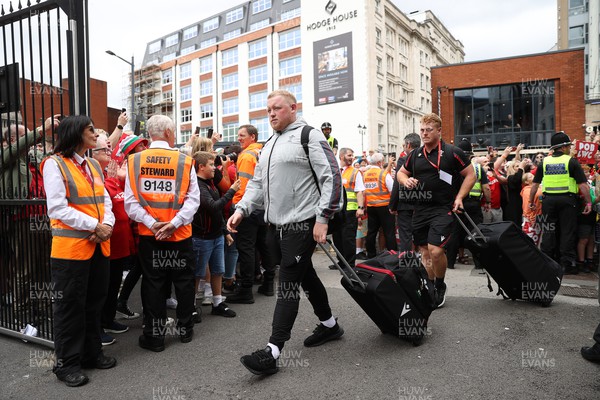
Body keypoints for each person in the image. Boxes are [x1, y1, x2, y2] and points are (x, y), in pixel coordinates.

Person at [228, 89, 344, 375]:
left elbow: (332, 177)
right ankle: (330, 325)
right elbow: (256, 184)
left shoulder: (309, 135)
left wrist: (323, 218)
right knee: (306, 276)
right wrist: (241, 209)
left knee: (289, 284)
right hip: (274, 226)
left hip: (302, 224)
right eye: (268, 110)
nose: (271, 114)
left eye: (277, 108)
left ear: (293, 108)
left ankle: (273, 350)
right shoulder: (268, 145)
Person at [41, 115, 116, 387]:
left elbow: (104, 199)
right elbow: (58, 209)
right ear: (76, 133)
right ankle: (67, 365)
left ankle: (92, 353)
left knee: (94, 303)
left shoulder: (93, 165)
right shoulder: (54, 164)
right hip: (71, 250)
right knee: (69, 308)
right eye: (91, 130)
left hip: (97, 245)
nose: (96, 134)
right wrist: (96, 226)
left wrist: (106, 223)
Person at [124, 115, 199, 352]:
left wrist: (153, 223)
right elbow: (193, 200)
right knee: (184, 282)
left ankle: (154, 338)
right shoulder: (184, 161)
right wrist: (174, 223)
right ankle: (185, 329)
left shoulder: (134, 161)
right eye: (174, 131)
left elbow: (130, 202)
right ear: (168, 132)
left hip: (150, 236)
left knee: (153, 284)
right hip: (180, 235)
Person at [397, 113, 475, 309]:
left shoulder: (452, 152)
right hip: (420, 209)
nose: (424, 133)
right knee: (424, 251)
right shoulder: (415, 155)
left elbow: (470, 175)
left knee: (436, 250)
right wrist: (406, 180)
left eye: (428, 130)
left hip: (443, 209)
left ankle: (440, 285)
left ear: (439, 131)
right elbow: (400, 173)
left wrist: (459, 198)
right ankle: (430, 286)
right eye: (422, 130)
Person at [528, 132, 591, 275]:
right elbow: (583, 185)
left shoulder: (544, 162)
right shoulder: (571, 161)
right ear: (563, 147)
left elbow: (535, 185)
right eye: (568, 145)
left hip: (548, 202)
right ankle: (566, 264)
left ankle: (547, 263)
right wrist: (588, 203)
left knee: (548, 231)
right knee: (567, 231)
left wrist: (531, 201)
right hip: (568, 201)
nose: (569, 148)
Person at [227, 124, 276, 303]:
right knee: (263, 245)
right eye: (238, 135)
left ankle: (245, 290)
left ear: (253, 137)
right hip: (263, 207)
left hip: (248, 207)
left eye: (242, 135)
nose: (239, 138)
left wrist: (237, 206)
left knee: (246, 247)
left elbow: (246, 185)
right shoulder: (263, 152)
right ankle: (268, 283)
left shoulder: (247, 155)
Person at [191, 151, 240, 317]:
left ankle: (218, 303)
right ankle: (190, 307)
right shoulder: (197, 185)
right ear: (201, 166)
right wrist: (231, 191)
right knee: (197, 273)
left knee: (218, 270)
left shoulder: (210, 182)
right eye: (211, 165)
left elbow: (216, 214)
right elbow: (213, 206)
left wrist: (224, 232)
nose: (214, 168)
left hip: (216, 236)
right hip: (201, 237)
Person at [446, 139, 491, 269]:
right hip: (473, 204)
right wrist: (488, 201)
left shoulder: (451, 167)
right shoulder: (477, 168)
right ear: (471, 155)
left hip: (456, 204)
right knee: (476, 231)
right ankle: (478, 263)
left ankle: (450, 263)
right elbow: (486, 188)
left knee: (454, 232)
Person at [331, 147, 365, 270]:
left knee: (348, 238)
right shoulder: (335, 170)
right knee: (337, 237)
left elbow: (360, 191)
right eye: (349, 155)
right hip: (337, 211)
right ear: (341, 156)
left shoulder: (355, 172)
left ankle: (350, 265)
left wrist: (360, 208)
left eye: (352, 155)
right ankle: (341, 262)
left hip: (350, 210)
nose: (352, 157)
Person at [389, 133, 421, 252]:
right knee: (422, 235)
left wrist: (393, 205)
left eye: (404, 145)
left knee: (406, 235)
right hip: (423, 202)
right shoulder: (425, 158)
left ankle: (407, 263)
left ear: (408, 145)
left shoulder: (404, 160)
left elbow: (397, 184)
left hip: (406, 204)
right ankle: (422, 262)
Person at [364, 152, 396, 258]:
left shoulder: (365, 174)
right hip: (384, 206)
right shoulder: (383, 174)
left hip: (371, 206)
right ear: (379, 162)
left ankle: (371, 254)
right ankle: (393, 255)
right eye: (382, 161)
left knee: (371, 232)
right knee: (389, 232)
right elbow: (392, 190)